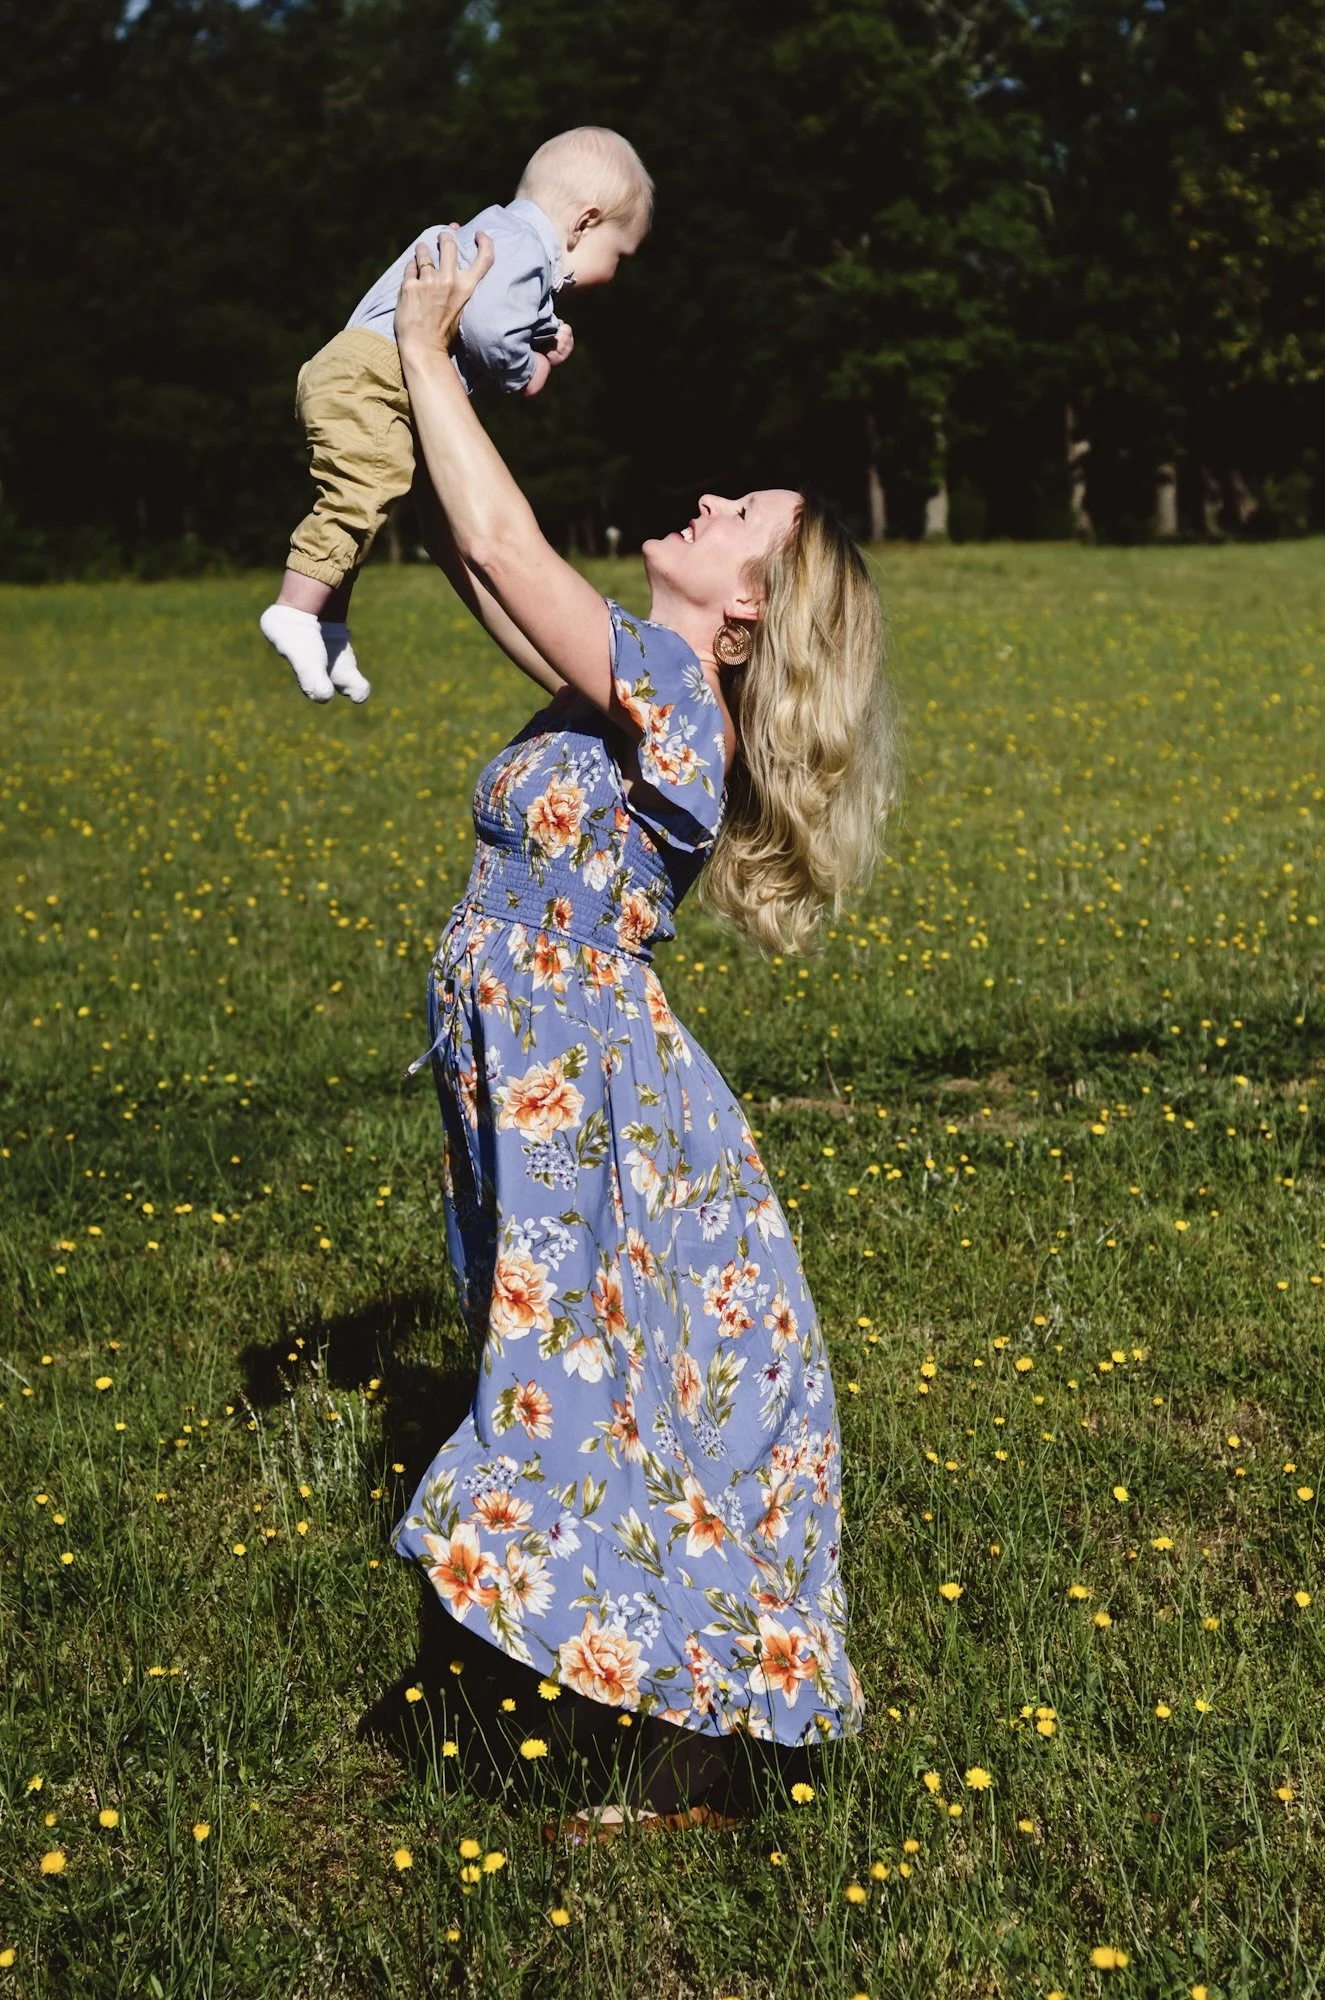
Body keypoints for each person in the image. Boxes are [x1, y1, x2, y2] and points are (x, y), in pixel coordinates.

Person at [387, 233, 895, 1841]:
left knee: (595, 1381)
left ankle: (688, 1725)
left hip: (579, 1073)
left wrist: (417, 349)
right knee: (604, 1379)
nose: (715, 499)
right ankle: (688, 1736)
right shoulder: (631, 678)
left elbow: (498, 530)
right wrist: (447, 380)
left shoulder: (679, 700)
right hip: (541, 1063)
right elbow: (487, 569)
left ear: (748, 613)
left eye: (746, 519)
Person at [259, 128, 652, 705]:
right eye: (619, 255)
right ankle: (294, 610)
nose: (614, 273)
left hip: (352, 364)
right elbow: (490, 329)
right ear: (584, 224)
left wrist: (542, 343)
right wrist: (524, 368)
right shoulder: (521, 246)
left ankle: (329, 627)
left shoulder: (481, 232)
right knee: (366, 487)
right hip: (375, 372)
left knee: (374, 502)